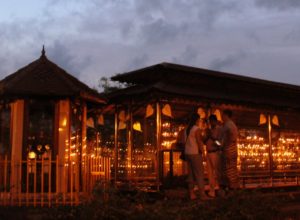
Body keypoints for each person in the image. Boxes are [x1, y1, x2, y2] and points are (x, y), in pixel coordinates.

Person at [184, 113, 209, 200]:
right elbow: (199, 142)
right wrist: (204, 153)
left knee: (190, 174)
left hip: (188, 153)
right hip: (195, 153)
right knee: (199, 173)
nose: (200, 122)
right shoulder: (196, 129)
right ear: (196, 120)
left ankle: (191, 194)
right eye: (199, 120)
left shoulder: (187, 129)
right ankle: (202, 194)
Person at [220, 109, 239, 192]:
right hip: (232, 149)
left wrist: (225, 145)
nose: (221, 117)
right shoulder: (231, 125)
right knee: (232, 168)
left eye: (222, 115)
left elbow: (229, 136)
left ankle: (232, 187)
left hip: (229, 149)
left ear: (226, 115)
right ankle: (234, 186)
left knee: (229, 168)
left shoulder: (228, 125)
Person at [203, 114, 222, 197]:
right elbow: (204, 142)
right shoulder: (208, 130)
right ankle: (212, 191)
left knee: (217, 173)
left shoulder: (219, 130)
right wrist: (206, 136)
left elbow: (220, 143)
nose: (211, 123)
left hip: (215, 153)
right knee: (210, 174)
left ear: (215, 121)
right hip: (208, 152)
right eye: (209, 122)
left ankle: (221, 190)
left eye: (212, 121)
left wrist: (212, 137)